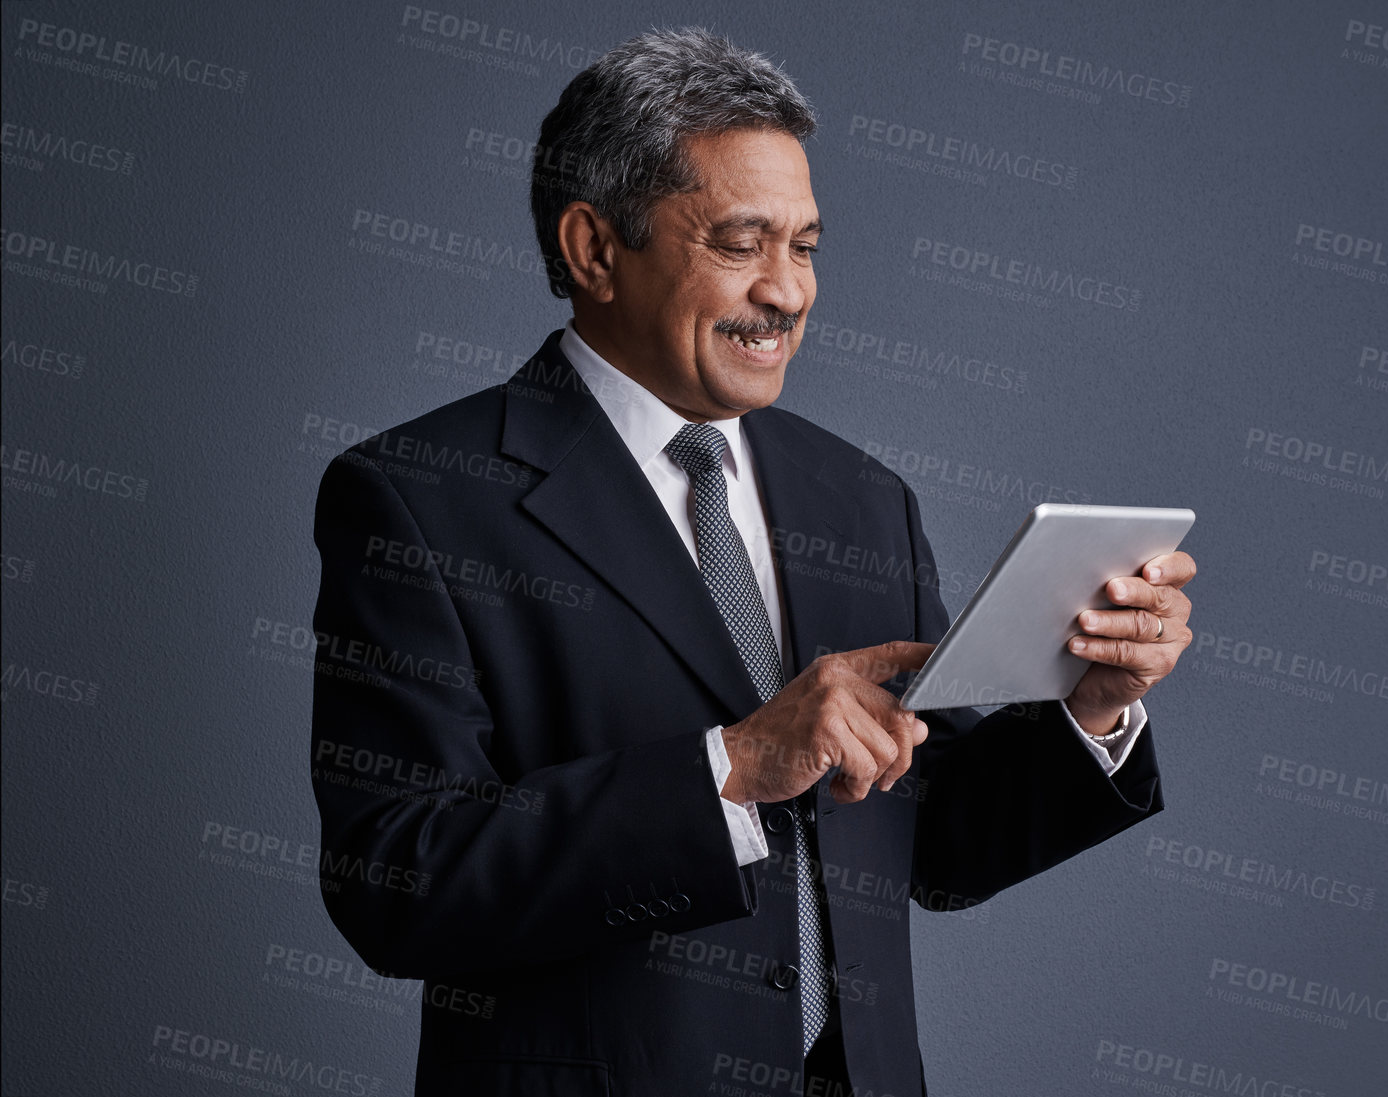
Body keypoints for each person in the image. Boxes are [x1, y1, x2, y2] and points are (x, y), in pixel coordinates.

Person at [308, 27, 1197, 1096]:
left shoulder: (863, 499)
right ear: (593, 249)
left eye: (807, 245)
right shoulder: (420, 496)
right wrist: (724, 767)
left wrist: (1089, 710)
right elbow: (395, 879)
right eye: (742, 243)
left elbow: (940, 846)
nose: (789, 292)